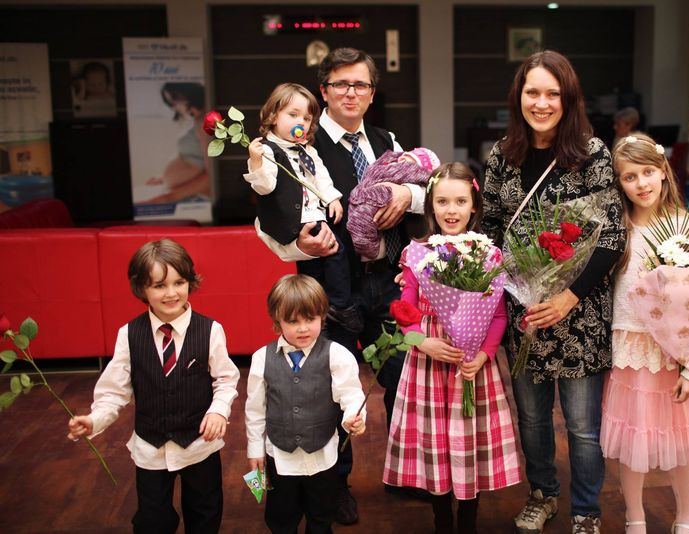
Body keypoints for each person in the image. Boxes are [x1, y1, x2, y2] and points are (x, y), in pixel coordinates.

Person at [253, 47, 426, 523]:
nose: (351, 93)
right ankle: (335, 486)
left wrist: (408, 194)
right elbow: (267, 219)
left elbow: (427, 185)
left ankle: (405, 472)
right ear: (324, 91)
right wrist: (297, 245)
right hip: (327, 290)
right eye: (341, 84)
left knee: (403, 376)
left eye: (361, 85)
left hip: (388, 283)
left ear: (372, 93)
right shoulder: (298, 145)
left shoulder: (386, 139)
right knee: (327, 388)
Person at [482, 50, 626, 534]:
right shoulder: (502, 156)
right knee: (532, 419)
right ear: (518, 96)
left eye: (552, 94)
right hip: (524, 316)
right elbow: (492, 229)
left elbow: (610, 237)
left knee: (583, 427)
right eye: (532, 92)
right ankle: (542, 495)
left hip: (579, 315)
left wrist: (568, 297)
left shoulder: (591, 153)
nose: (541, 103)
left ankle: (586, 510)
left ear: (568, 99)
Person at [383, 162, 521, 534]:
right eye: (442, 201)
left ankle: (469, 523)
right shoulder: (417, 253)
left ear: (474, 205)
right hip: (428, 363)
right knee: (436, 443)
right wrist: (422, 341)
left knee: (467, 441)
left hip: (471, 364)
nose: (451, 210)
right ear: (431, 205)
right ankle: (442, 521)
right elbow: (405, 311)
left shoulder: (488, 254)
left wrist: (483, 355)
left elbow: (497, 316)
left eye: (460, 201)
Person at [66, 238, 240, 533]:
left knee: (205, 513)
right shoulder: (129, 334)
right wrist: (94, 420)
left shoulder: (211, 330)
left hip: (199, 445)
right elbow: (113, 392)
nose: (171, 293)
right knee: (152, 520)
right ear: (141, 289)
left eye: (179, 282)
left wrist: (219, 410)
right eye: (159, 285)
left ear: (189, 282)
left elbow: (225, 378)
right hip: (150, 449)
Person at [601, 133, 689, 534]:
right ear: (619, 183)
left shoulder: (687, 227)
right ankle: (634, 518)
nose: (641, 183)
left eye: (648, 172)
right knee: (632, 442)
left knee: (682, 443)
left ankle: (685, 518)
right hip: (630, 349)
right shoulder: (617, 232)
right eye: (629, 177)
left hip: (676, 352)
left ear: (663, 172)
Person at [245, 274, 366, 534]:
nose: (303, 328)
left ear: (322, 316)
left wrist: (354, 416)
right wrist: (255, 449)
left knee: (322, 516)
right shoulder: (261, 359)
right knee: (281, 517)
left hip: (323, 456)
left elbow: (351, 394)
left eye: (310, 319)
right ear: (277, 319)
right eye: (293, 321)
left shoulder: (337, 355)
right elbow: (255, 411)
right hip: (280, 458)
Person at [243, 82, 361, 334]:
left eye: (306, 118)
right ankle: (340, 305)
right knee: (335, 252)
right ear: (273, 117)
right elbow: (264, 186)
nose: (301, 123)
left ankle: (322, 307)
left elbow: (321, 177)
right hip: (297, 219)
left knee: (316, 266)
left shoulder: (307, 150)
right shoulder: (268, 151)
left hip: (316, 214)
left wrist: (332, 198)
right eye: (293, 115)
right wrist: (256, 160)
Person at [145, 83, 211, 203]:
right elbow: (195, 159)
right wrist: (163, 179)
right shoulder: (199, 121)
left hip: (195, 195)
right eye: (171, 104)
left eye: (175, 100)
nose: (174, 108)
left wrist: (168, 197)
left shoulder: (206, 123)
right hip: (187, 192)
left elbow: (212, 176)